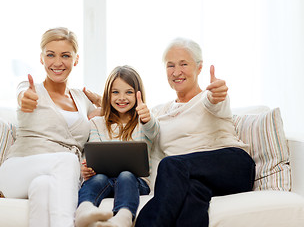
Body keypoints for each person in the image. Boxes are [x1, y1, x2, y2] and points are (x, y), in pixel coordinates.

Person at [134, 38, 256, 227]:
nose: (176, 72)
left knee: (171, 165)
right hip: (193, 177)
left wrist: (218, 94)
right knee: (193, 194)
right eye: (170, 65)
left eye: (184, 64)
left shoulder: (208, 98)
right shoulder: (161, 111)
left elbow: (216, 102)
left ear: (199, 68)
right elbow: (150, 133)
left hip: (233, 166)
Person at [0, 27, 98, 227]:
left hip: (53, 178)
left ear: (76, 60)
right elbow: (23, 95)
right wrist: (25, 99)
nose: (57, 62)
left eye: (65, 55)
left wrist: (100, 100)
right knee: (68, 161)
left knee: (43, 187)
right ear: (42, 58)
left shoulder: (82, 99)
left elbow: (114, 112)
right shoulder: (29, 88)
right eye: (50, 55)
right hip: (17, 172)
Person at [75, 65, 159, 227]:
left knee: (126, 175)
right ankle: (84, 211)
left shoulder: (144, 122)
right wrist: (87, 169)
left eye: (128, 92)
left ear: (137, 94)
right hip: (104, 179)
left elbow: (154, 131)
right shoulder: (96, 123)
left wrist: (147, 118)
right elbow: (92, 155)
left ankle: (123, 217)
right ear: (107, 95)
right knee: (97, 178)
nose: (122, 98)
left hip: (136, 182)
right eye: (115, 92)